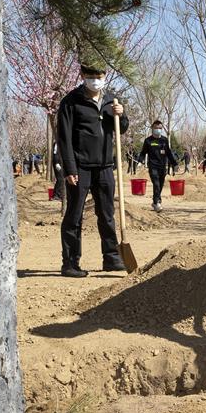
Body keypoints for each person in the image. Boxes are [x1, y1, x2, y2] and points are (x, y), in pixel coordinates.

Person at [56, 61, 128, 277]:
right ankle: (70, 262)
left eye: (99, 76)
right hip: (80, 167)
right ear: (82, 75)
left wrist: (121, 115)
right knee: (74, 215)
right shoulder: (71, 102)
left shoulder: (110, 100)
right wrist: (70, 168)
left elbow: (121, 129)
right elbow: (64, 138)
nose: (95, 80)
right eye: (90, 76)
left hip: (105, 166)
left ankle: (112, 258)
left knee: (106, 214)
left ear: (105, 76)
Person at [137, 120, 178, 212]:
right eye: (156, 128)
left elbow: (169, 153)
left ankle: (155, 201)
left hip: (163, 167)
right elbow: (143, 153)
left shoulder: (164, 140)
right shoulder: (148, 141)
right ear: (152, 128)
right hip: (153, 166)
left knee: (161, 184)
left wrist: (174, 164)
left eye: (160, 128)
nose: (158, 130)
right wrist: (140, 161)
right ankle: (157, 202)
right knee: (156, 184)